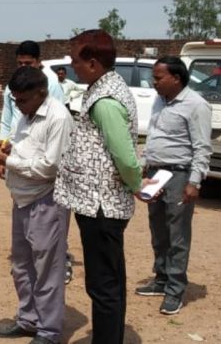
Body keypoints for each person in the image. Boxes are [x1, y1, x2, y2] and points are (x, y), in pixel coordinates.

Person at [54, 30, 147, 344]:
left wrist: (137, 184)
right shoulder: (104, 88)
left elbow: (124, 155)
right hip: (100, 204)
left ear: (93, 63)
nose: (72, 66)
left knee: (104, 285)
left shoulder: (105, 101)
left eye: (75, 60)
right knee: (109, 281)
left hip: (101, 207)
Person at [0, 67, 72, 343]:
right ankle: (28, 319)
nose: (19, 105)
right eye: (15, 100)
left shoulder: (58, 117)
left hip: (46, 199)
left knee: (47, 268)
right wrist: (8, 149)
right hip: (22, 198)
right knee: (22, 264)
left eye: (23, 100)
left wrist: (8, 161)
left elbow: (50, 167)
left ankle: (49, 331)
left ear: (41, 93)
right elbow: (22, 145)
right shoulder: (26, 114)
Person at [135, 56, 212, 316]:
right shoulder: (160, 100)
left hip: (180, 174)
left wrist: (194, 181)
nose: (153, 82)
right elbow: (154, 135)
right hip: (156, 173)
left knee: (177, 233)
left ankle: (175, 289)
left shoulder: (196, 105)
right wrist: (144, 162)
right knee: (158, 229)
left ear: (176, 78)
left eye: (158, 78)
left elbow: (202, 147)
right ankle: (161, 278)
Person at [0, 41, 65, 144]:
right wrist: (3, 141)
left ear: (38, 61)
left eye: (28, 63)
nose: (23, 67)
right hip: (14, 143)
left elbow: (57, 117)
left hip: (38, 145)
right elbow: (6, 120)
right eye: (20, 63)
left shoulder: (51, 84)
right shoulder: (12, 85)